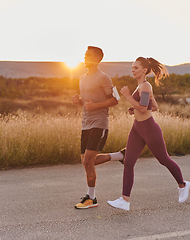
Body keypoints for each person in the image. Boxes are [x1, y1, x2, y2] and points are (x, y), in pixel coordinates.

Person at [107, 57, 190, 211]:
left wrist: (128, 97)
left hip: (149, 129)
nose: (132, 70)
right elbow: (154, 106)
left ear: (144, 70)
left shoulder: (145, 86)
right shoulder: (141, 86)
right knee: (128, 162)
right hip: (137, 129)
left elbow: (144, 108)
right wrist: (134, 107)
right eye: (132, 67)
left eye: (136, 68)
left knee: (164, 159)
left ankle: (183, 184)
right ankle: (125, 200)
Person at [71, 46, 124, 209]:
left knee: (88, 161)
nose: (85, 57)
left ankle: (91, 198)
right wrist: (78, 101)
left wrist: (96, 106)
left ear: (97, 59)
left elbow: (116, 99)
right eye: (85, 55)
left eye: (88, 55)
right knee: (86, 161)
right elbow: (87, 102)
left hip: (99, 123)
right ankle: (120, 156)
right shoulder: (81, 78)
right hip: (85, 124)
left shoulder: (104, 78)